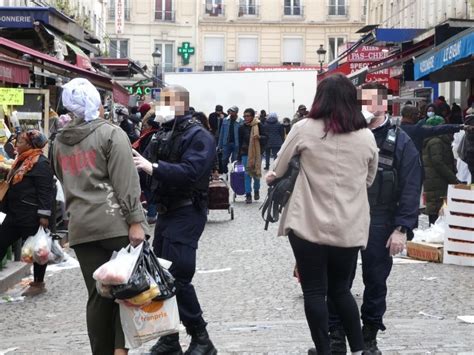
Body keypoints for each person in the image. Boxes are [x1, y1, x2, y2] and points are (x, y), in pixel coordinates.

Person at [266, 73, 378, 355]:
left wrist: (273, 177)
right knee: (341, 290)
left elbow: (278, 167)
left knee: (315, 290)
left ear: (320, 99)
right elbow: (369, 178)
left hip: (307, 221)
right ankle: (360, 349)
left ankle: (324, 350)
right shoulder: (366, 135)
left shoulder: (304, 128)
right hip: (349, 223)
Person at [52, 78, 147, 355]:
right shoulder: (111, 134)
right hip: (113, 222)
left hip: (80, 227)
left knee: (97, 295)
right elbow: (126, 182)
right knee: (124, 293)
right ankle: (120, 350)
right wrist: (135, 221)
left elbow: (61, 177)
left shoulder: (58, 142)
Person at [328, 82, 422, 355]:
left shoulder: (400, 140)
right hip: (345, 216)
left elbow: (411, 185)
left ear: (383, 105)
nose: (366, 108)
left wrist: (402, 228)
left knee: (376, 279)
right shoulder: (344, 135)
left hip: (380, 218)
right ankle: (336, 335)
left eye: (371, 102)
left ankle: (369, 336)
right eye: (361, 103)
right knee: (338, 280)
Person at [133, 85, 217, 355]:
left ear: (179, 103)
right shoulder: (162, 132)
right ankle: (170, 338)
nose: (158, 107)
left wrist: (153, 167)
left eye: (163, 103)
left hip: (187, 211)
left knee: (179, 275)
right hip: (168, 211)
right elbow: (146, 169)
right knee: (161, 275)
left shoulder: (198, 135)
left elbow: (191, 172)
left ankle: (201, 338)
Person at [0, 130, 54, 297]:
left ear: (31, 145)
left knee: (38, 250)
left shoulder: (41, 163)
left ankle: (38, 283)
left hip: (32, 216)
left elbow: (45, 191)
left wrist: (44, 216)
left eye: (20, 142)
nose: (16, 145)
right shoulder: (21, 160)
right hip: (15, 213)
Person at [422, 116, 458, 225]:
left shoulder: (434, 140)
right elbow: (438, 162)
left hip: (435, 180)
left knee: (436, 207)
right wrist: (453, 178)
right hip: (438, 181)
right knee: (436, 209)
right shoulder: (436, 141)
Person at [238, 108, 266, 204]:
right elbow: (240, 142)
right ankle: (248, 194)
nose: (246, 118)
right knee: (247, 174)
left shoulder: (259, 125)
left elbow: (266, 137)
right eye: (244, 116)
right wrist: (238, 156)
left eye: (248, 116)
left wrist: (259, 137)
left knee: (256, 174)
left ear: (252, 116)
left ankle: (256, 190)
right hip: (245, 153)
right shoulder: (241, 127)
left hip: (257, 154)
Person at [217, 106, 243, 174]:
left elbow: (242, 135)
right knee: (224, 159)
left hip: (236, 144)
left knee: (235, 160)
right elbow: (221, 133)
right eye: (230, 111)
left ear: (236, 112)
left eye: (233, 111)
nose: (231, 113)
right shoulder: (225, 120)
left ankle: (234, 174)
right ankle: (225, 171)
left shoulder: (241, 121)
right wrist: (219, 146)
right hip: (226, 143)